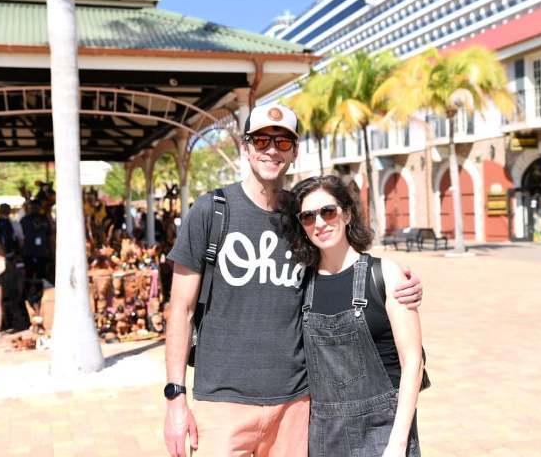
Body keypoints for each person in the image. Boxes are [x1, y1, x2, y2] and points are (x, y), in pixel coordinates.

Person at [163, 103, 423, 457]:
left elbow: (345, 268)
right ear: (246, 147)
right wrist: (175, 397)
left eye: (283, 142)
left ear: (294, 151)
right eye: (261, 140)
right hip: (223, 403)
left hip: (297, 406)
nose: (271, 149)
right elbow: (180, 309)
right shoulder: (211, 211)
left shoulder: (302, 217)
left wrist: (397, 282)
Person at [284, 175, 423, 456]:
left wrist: (397, 442)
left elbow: (413, 362)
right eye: (308, 216)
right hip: (323, 437)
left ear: (346, 214)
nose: (319, 223)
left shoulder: (385, 274)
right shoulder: (300, 285)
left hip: (383, 432)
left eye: (328, 211)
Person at [20, 200, 52, 321]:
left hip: (43, 253)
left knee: (42, 278)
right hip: (28, 253)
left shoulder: (44, 219)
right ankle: (29, 303)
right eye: (32, 207)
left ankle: (41, 301)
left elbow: (50, 235)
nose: (34, 209)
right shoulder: (24, 220)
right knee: (28, 279)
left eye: (36, 207)